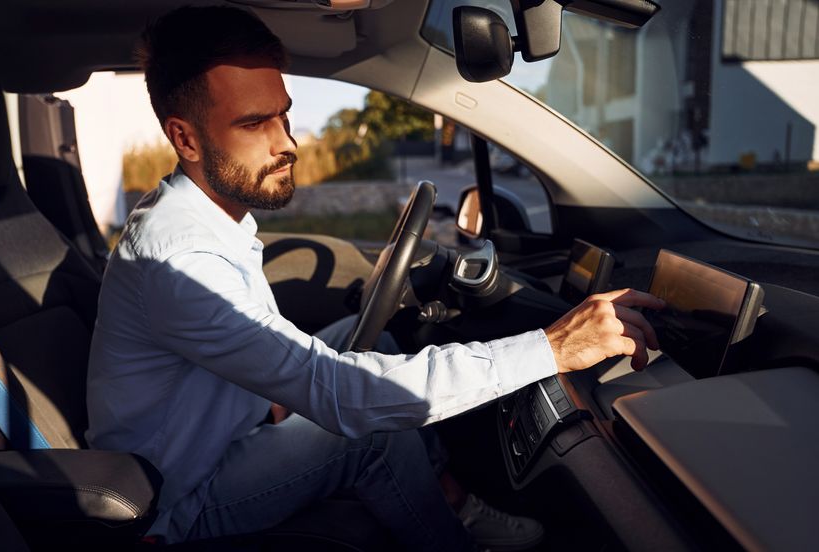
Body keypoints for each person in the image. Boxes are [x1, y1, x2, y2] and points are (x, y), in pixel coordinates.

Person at [86, 6, 664, 551]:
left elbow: (269, 362)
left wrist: (278, 400)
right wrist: (552, 347)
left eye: (283, 114)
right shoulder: (179, 257)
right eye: (254, 123)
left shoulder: (204, 218)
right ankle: (455, 535)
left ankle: (448, 494)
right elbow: (345, 399)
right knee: (372, 430)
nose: (287, 141)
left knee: (371, 338)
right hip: (181, 503)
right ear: (185, 138)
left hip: (218, 440)